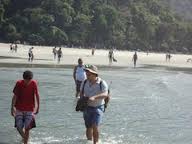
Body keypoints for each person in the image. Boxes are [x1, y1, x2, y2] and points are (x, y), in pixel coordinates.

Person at [80, 65, 109, 144]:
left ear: (94, 74)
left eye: (89, 74)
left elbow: (105, 94)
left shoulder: (102, 83)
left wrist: (94, 97)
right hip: (87, 107)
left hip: (98, 107)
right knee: (88, 127)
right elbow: (81, 92)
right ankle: (89, 141)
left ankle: (95, 143)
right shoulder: (84, 82)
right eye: (86, 74)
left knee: (95, 126)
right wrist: (82, 98)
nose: (87, 75)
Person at [11, 70, 40, 144]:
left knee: (27, 128)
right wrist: (12, 108)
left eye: (29, 80)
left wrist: (38, 107)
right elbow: (15, 97)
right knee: (18, 127)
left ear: (31, 79)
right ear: (23, 78)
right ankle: (25, 138)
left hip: (30, 109)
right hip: (19, 108)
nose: (28, 82)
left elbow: (37, 95)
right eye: (26, 80)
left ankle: (25, 142)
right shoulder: (19, 83)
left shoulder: (34, 83)